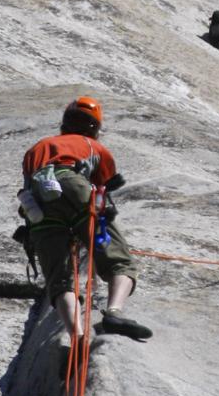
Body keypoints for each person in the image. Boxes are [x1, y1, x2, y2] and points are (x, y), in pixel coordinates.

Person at [20, 96, 152, 348]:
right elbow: (103, 187)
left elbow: (28, 181)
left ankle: (77, 336)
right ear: (94, 128)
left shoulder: (39, 147)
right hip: (74, 185)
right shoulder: (92, 146)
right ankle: (114, 312)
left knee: (59, 279)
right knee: (119, 259)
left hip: (36, 202)